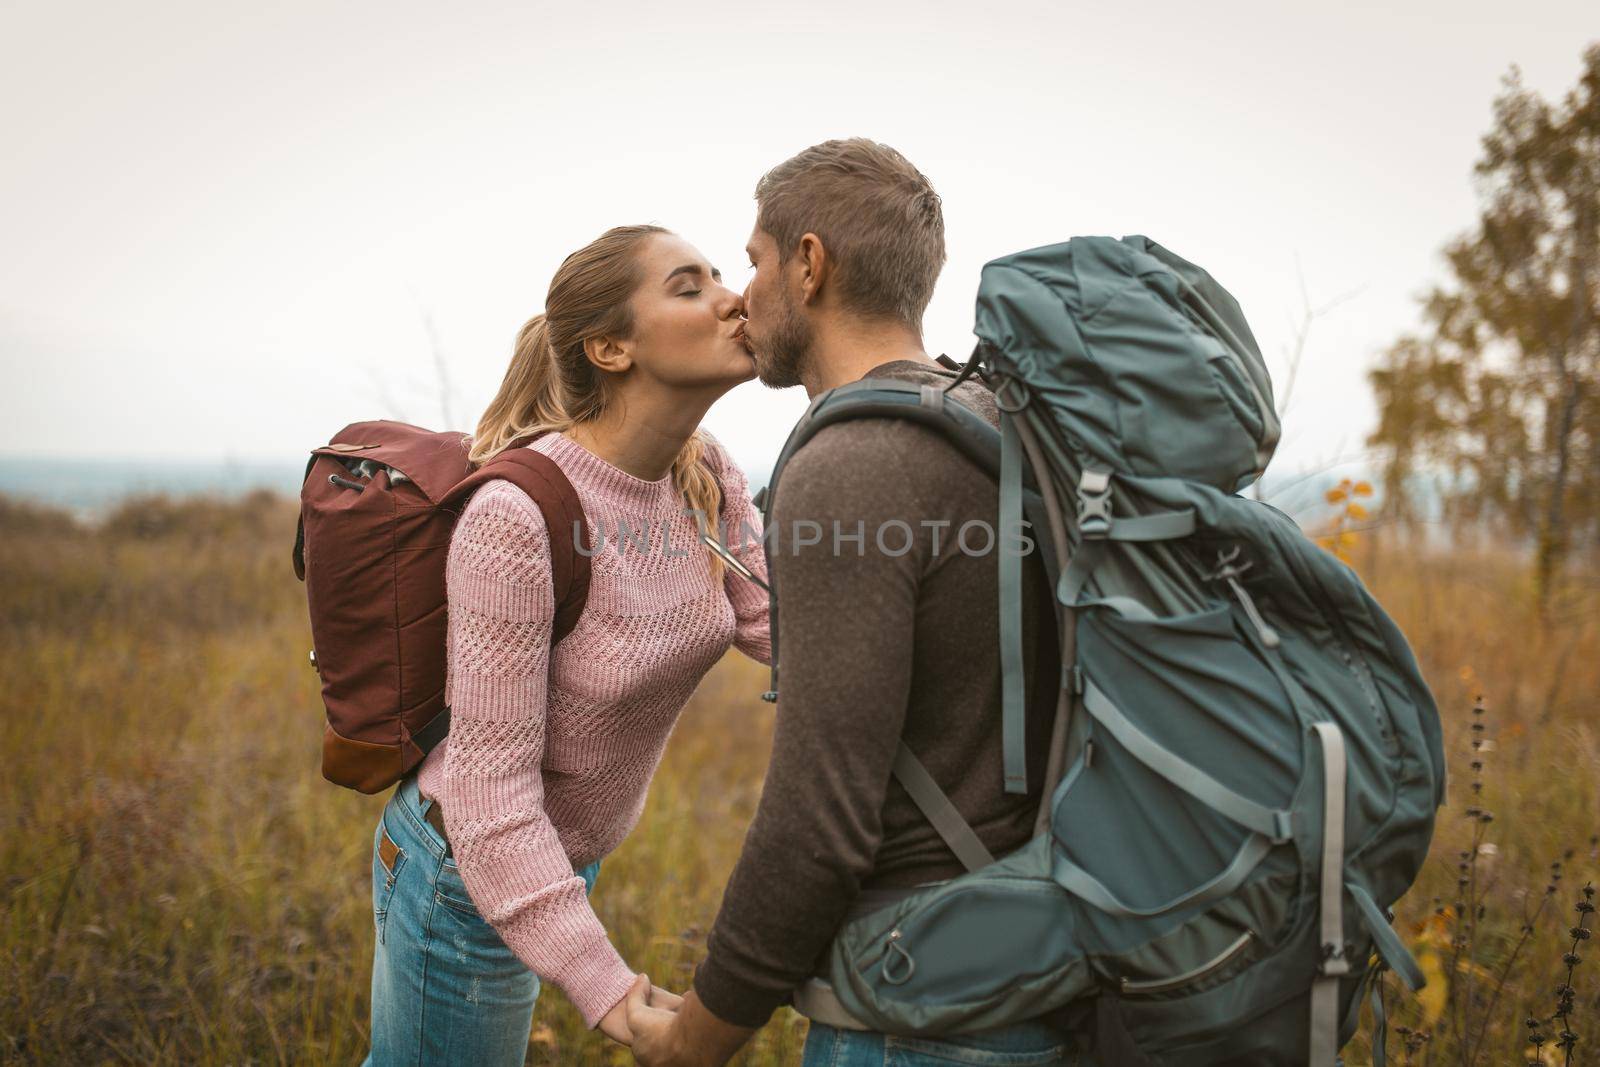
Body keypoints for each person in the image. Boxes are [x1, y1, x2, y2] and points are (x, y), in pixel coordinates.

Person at [625, 140, 1076, 1066]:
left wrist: (701, 1035)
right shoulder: (995, 421)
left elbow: (817, 822)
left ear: (810, 263)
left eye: (752, 262)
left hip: (915, 1011)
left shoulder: (852, 463)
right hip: (1036, 966)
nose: (742, 296)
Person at [362, 224, 772, 1066]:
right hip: (465, 871)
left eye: (723, 275)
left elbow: (779, 630)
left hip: (558, 866)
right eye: (689, 287)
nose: (735, 298)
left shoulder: (705, 473)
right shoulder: (516, 519)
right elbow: (491, 796)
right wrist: (612, 994)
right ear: (611, 347)